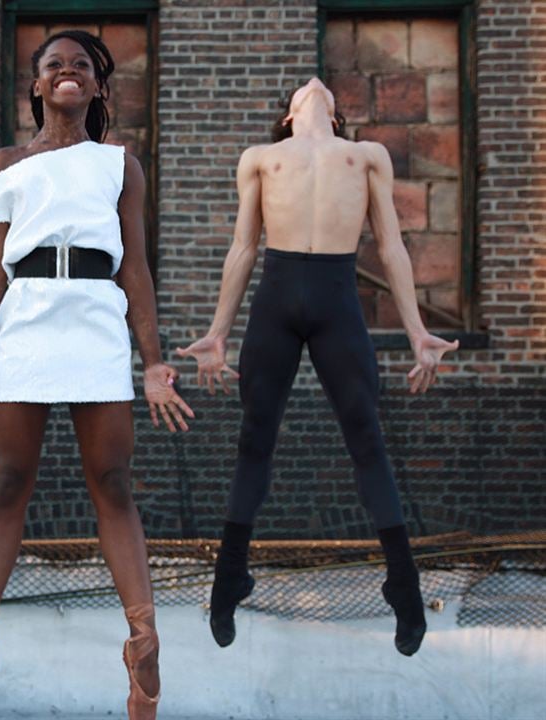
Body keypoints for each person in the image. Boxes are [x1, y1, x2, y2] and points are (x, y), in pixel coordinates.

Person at [0, 30, 193, 720]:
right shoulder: (6, 163)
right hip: (28, 318)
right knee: (9, 481)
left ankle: (143, 638)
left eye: (81, 66)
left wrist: (154, 360)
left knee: (112, 481)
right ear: (38, 87)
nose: (68, 72)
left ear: (97, 89)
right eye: (54, 66)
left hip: (97, 316)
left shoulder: (118, 165)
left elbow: (135, 268)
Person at [178, 77, 459, 657]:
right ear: (289, 114)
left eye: (326, 88)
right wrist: (217, 333)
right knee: (255, 437)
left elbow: (392, 246)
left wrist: (417, 333)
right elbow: (243, 247)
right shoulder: (260, 158)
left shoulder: (365, 156)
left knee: (367, 437)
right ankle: (229, 579)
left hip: (336, 299)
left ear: (335, 113)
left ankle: (403, 587)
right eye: (304, 89)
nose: (314, 82)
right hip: (276, 298)